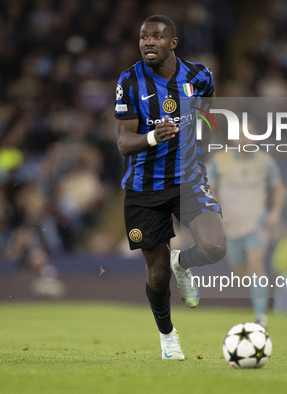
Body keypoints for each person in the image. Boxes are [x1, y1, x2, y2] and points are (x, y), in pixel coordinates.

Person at [114, 15, 226, 359]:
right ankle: (167, 337)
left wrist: (202, 146)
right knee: (157, 274)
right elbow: (123, 142)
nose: (148, 42)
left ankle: (184, 262)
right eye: (143, 37)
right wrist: (152, 136)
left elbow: (206, 116)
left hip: (188, 180)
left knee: (215, 247)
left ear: (172, 42)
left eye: (157, 37)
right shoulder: (130, 81)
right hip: (145, 189)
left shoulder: (200, 76)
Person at [207, 130, 286, 328]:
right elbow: (207, 186)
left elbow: (279, 188)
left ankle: (261, 316)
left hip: (256, 221)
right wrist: (218, 210)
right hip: (231, 224)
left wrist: (275, 212)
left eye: (249, 134)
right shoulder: (220, 160)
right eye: (241, 134)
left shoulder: (264, 161)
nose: (245, 138)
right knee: (241, 272)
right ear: (233, 137)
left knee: (256, 264)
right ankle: (257, 297)